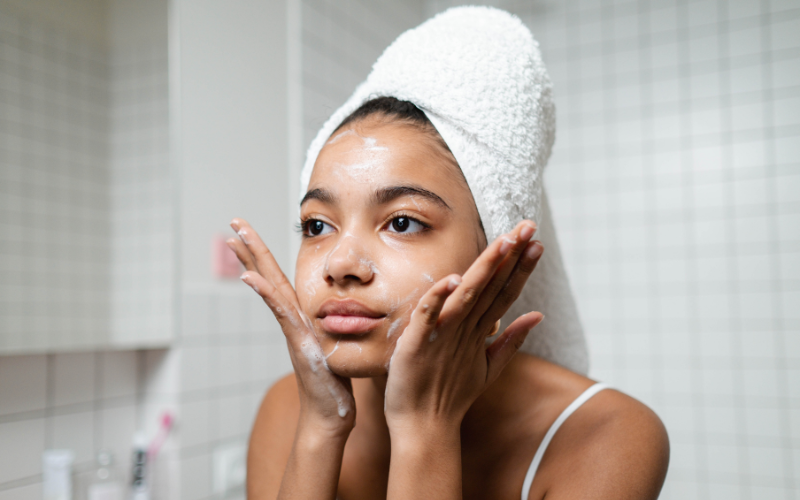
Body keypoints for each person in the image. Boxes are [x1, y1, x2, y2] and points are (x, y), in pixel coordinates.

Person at [228, 8, 669, 500]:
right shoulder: (290, 411)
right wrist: (321, 430)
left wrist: (425, 427)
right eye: (317, 226)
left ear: (498, 256)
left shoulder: (606, 436)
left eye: (401, 222)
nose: (339, 264)